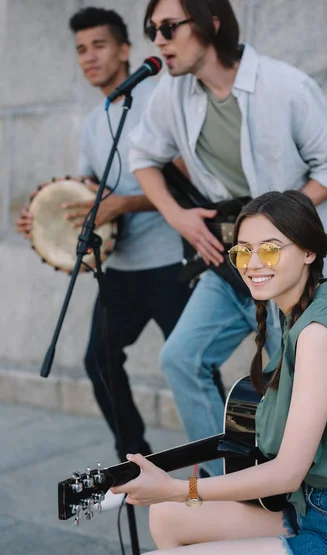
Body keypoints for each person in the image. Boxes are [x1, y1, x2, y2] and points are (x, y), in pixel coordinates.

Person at [111, 190, 327, 555]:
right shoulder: (307, 312)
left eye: (270, 249)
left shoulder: (318, 334)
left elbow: (286, 473)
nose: (254, 264)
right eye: (243, 252)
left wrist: (179, 488)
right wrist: (172, 497)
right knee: (167, 517)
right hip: (316, 507)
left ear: (308, 253)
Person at [128, 0, 327, 476]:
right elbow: (143, 156)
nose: (158, 41)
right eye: (151, 30)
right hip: (230, 260)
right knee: (180, 357)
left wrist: (282, 221)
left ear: (211, 22)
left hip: (291, 266)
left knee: (290, 373)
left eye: (169, 27)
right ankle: (226, 484)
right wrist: (178, 216)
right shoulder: (171, 96)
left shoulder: (284, 84)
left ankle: (301, 493)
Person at [16, 7, 190, 501]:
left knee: (192, 365)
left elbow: (189, 180)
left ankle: (235, 467)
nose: (88, 57)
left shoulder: (163, 97)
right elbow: (90, 191)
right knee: (99, 361)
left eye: (98, 45)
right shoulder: (95, 122)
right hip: (123, 270)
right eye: (80, 49)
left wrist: (129, 201)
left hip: (174, 264)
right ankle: (135, 460)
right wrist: (43, 215)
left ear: (124, 50)